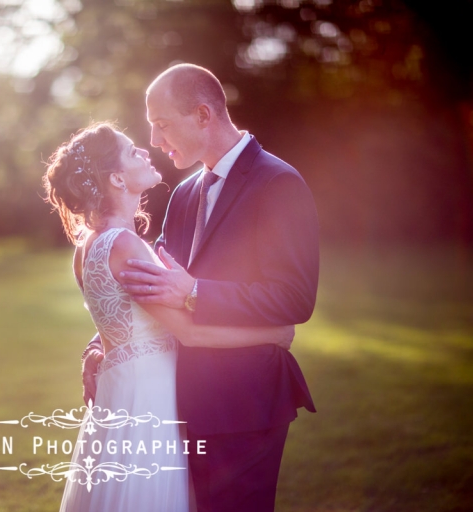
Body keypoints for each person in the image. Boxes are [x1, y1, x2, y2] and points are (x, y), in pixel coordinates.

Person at [81, 64, 319, 512]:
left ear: (204, 115)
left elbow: (295, 298)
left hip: (246, 400)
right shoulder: (185, 192)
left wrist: (195, 292)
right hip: (181, 398)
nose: (154, 139)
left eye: (162, 124)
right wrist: (105, 341)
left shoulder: (278, 183)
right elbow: (147, 282)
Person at [45, 121, 296, 512]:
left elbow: (116, 320)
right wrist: (272, 335)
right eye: (132, 151)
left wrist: (96, 349)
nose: (145, 150)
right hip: (147, 398)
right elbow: (189, 333)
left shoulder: (88, 245)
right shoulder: (126, 245)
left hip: (121, 390)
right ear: (116, 178)